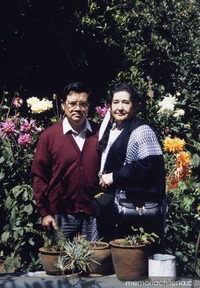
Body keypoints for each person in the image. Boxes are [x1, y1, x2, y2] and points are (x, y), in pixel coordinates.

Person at [97, 82, 166, 242]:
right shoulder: (112, 129)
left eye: (125, 102)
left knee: (129, 257)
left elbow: (150, 166)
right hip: (112, 207)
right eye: (116, 102)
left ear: (134, 106)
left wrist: (114, 176)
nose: (120, 107)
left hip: (132, 209)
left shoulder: (141, 130)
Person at [31, 82, 100, 241]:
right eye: (72, 104)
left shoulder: (99, 134)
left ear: (88, 106)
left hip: (93, 214)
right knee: (61, 263)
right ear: (63, 105)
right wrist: (45, 213)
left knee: (94, 263)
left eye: (82, 104)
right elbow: (39, 176)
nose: (77, 108)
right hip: (60, 216)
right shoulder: (50, 136)